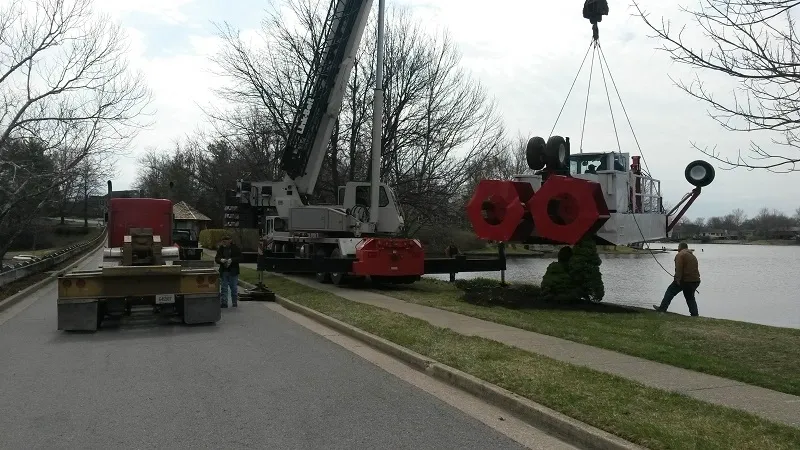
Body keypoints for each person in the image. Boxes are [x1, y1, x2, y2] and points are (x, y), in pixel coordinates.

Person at [653, 242, 701, 316]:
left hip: (685, 280)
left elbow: (679, 268)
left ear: (680, 247)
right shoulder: (692, 255)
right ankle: (694, 315)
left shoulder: (680, 255)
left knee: (670, 291)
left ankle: (662, 308)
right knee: (690, 297)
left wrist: (677, 279)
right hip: (695, 280)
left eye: (678, 246)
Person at [215, 233, 242, 308]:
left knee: (233, 287)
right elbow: (216, 258)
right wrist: (221, 260)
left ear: (230, 241)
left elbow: (240, 257)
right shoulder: (221, 248)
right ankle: (224, 303)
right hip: (224, 271)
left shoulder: (235, 248)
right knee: (224, 287)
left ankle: (234, 302)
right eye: (223, 241)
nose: (224, 243)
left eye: (225, 241)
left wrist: (232, 260)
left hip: (233, 271)